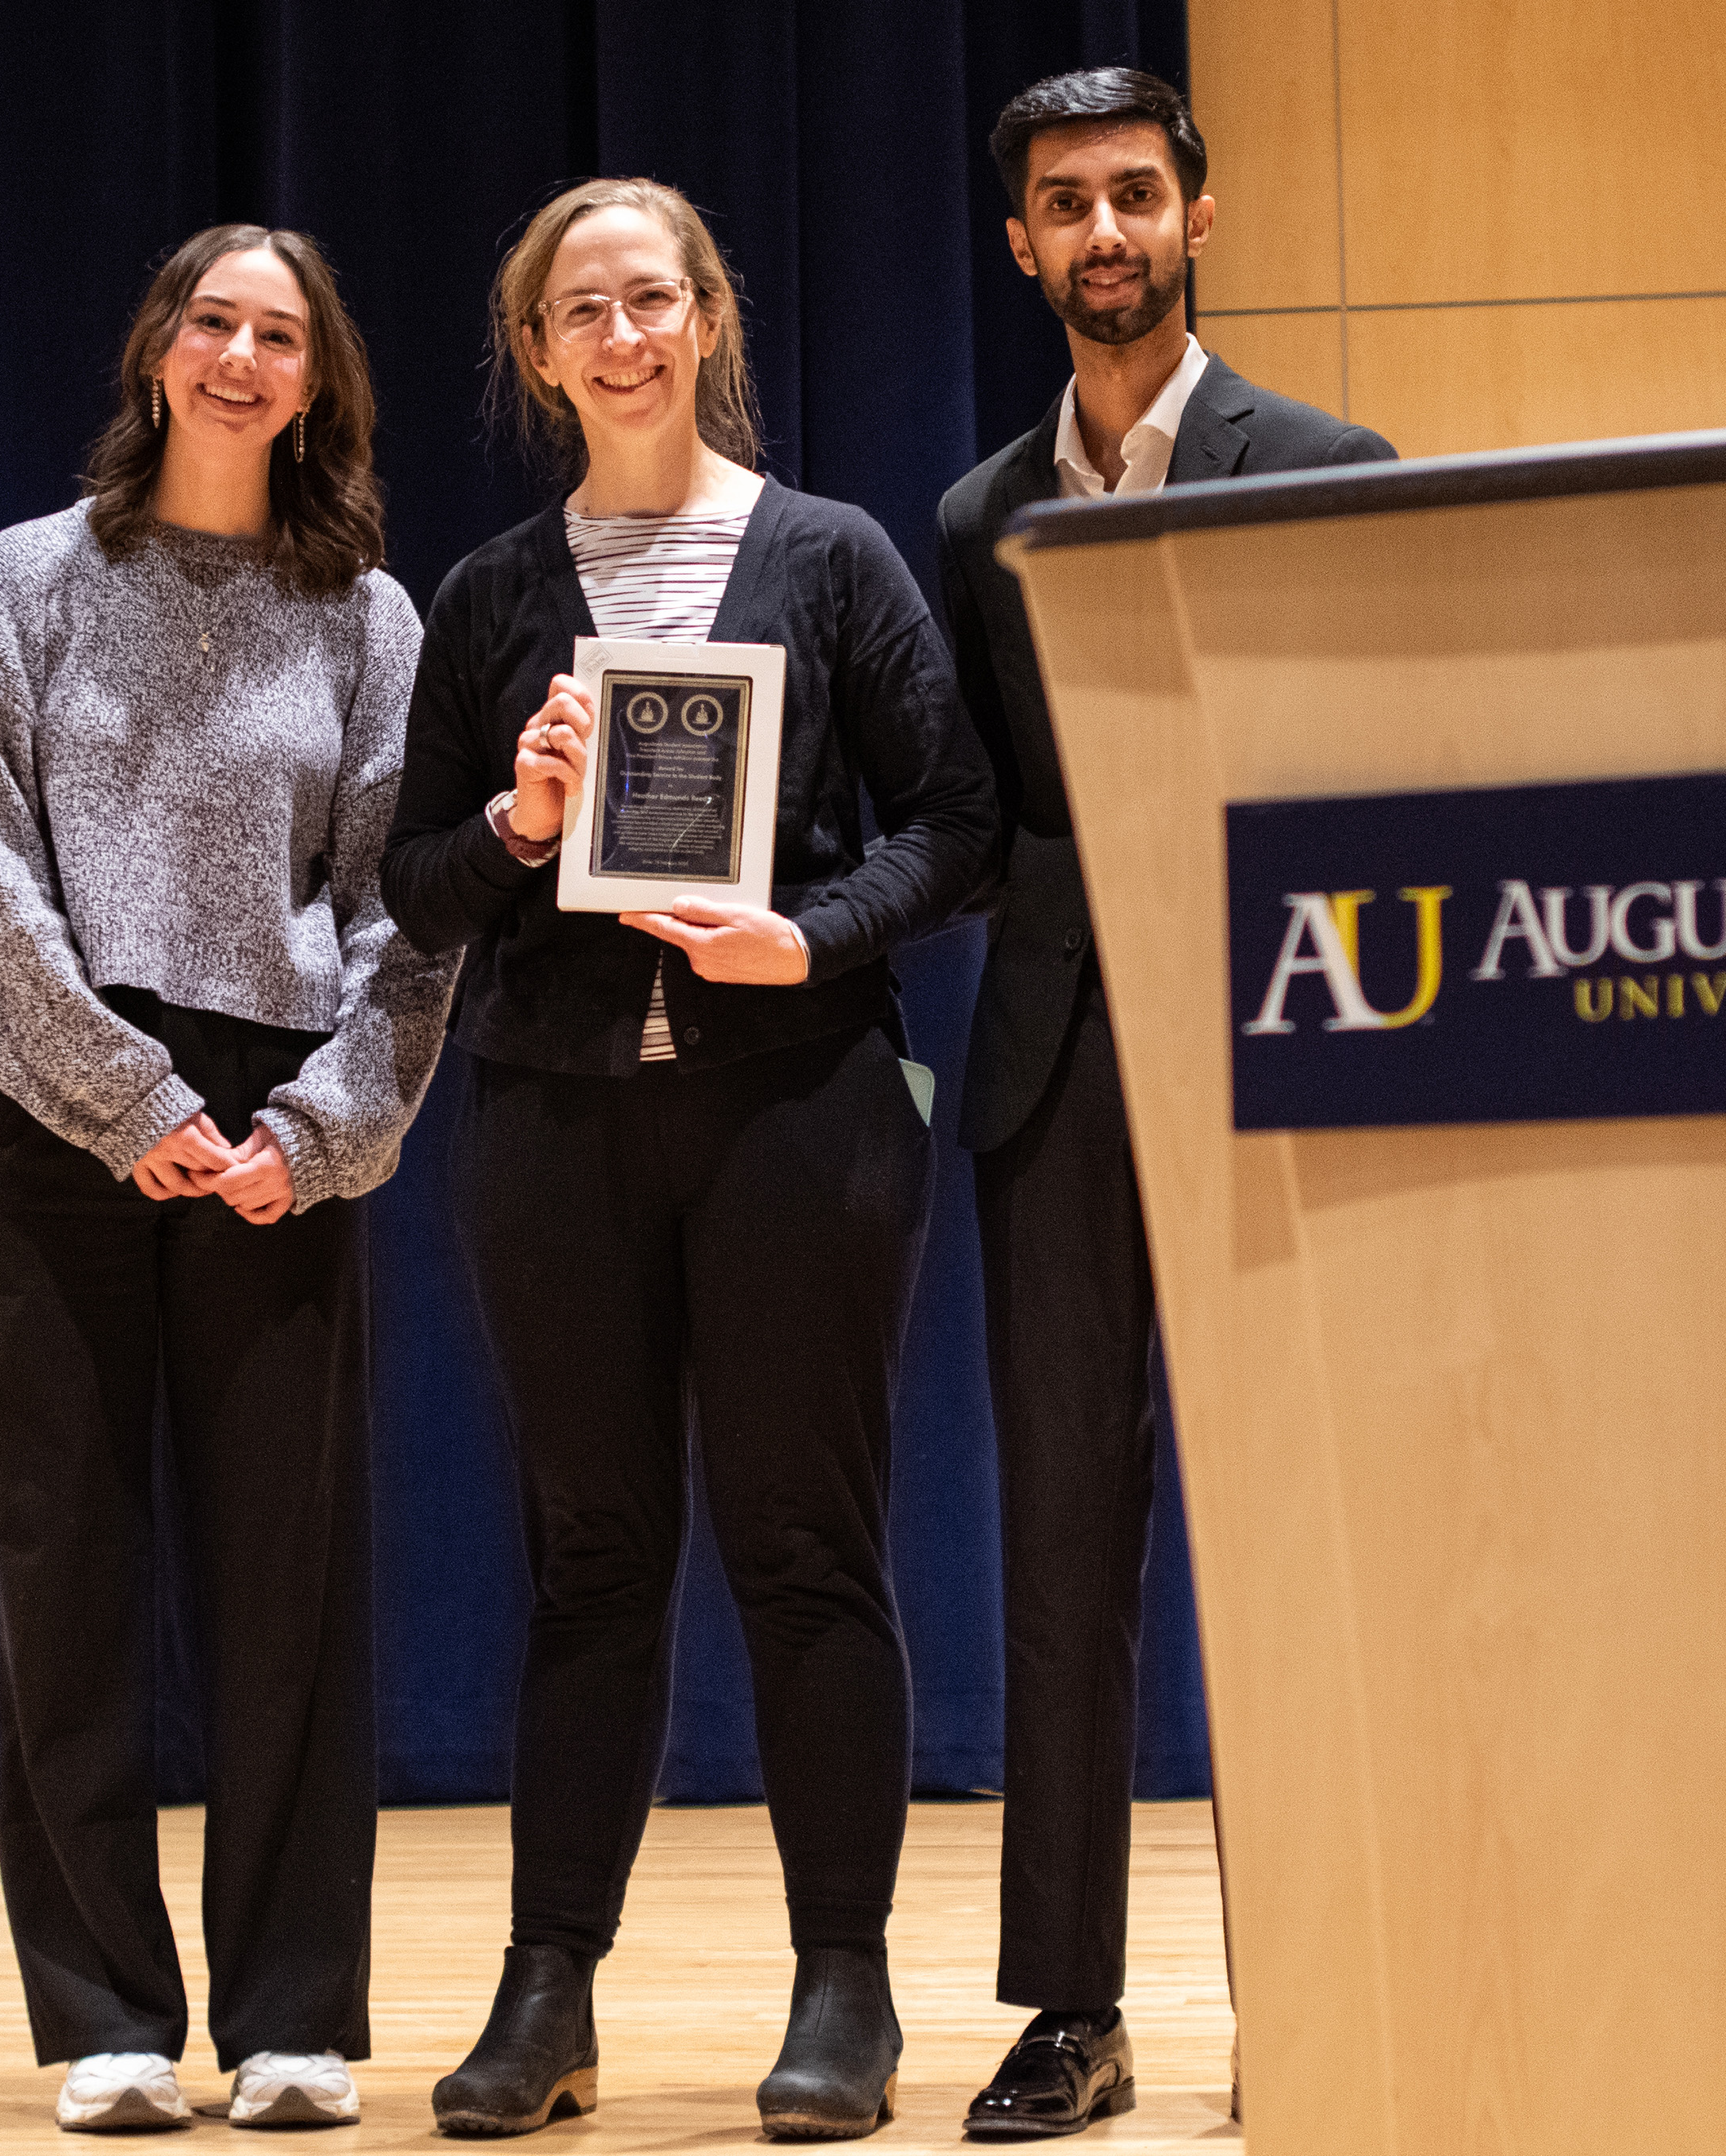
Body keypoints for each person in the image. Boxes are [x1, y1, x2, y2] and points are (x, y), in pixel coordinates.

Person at [380, 176, 997, 2142]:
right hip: (556, 1123)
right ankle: (545, 1993)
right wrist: (513, 818)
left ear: (709, 319)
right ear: (539, 349)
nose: (624, 335)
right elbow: (413, 889)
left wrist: (804, 935)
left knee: (807, 1550)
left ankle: (846, 1993)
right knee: (588, 1562)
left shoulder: (826, 559)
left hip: (802, 1111)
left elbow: (962, 823)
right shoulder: (488, 596)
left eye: (655, 298)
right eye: (584, 309)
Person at [0, 223, 453, 2136]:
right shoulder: (30, 582)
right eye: (215, 322)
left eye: (281, 335)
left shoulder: (368, 621)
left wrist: (318, 1132)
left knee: (287, 1576)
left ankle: (296, 2010)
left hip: (279, 1111)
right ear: (161, 351)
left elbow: (407, 912)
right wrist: (117, 1091)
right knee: (61, 1564)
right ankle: (104, 2019)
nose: (243, 357)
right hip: (58, 1102)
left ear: (317, 383)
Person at [931, 68, 1397, 2142]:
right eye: (1062, 202)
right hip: (1054, 1073)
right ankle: (1070, 2006)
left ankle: (1330, 1979)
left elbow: (1389, 762)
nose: (1102, 229)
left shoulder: (1327, 465)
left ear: (1198, 217)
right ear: (1019, 246)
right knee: (1065, 1544)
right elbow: (969, 821)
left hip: (1290, 1046)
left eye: (1134, 192)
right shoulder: (974, 523)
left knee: (1306, 1540)